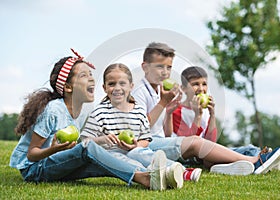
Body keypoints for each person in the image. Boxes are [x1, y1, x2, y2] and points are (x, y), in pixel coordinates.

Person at [9, 49, 173, 191]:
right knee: (88, 147)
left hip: (57, 164)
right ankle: (143, 177)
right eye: (84, 75)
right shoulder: (54, 110)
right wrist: (53, 149)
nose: (92, 79)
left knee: (100, 158)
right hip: (35, 170)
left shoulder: (82, 111)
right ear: (68, 87)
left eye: (91, 75)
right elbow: (32, 155)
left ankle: (154, 174)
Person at [131, 42, 280, 175]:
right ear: (145, 67)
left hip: (159, 141)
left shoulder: (159, 91)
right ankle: (255, 160)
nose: (165, 72)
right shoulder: (140, 92)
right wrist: (164, 104)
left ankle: (238, 164)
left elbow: (165, 132)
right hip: (146, 145)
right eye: (160, 67)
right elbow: (140, 126)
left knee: (204, 147)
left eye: (169, 67)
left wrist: (168, 109)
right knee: (197, 143)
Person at [173, 66, 280, 173]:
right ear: (184, 88)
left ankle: (276, 164)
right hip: (194, 157)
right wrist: (197, 115)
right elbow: (185, 145)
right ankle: (275, 163)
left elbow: (211, 141)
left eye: (204, 84)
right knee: (247, 150)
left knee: (241, 150)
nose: (201, 89)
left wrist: (212, 115)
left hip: (206, 155)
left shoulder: (204, 110)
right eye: (195, 84)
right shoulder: (178, 111)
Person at [80, 63, 185, 188]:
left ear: (131, 86)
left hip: (134, 150)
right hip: (111, 155)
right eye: (112, 84)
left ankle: (179, 171)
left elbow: (145, 139)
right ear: (104, 88)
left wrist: (136, 145)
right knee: (119, 157)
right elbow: (85, 141)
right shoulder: (99, 113)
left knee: (141, 153)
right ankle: (152, 175)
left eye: (122, 83)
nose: (117, 88)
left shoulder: (139, 112)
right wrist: (101, 139)